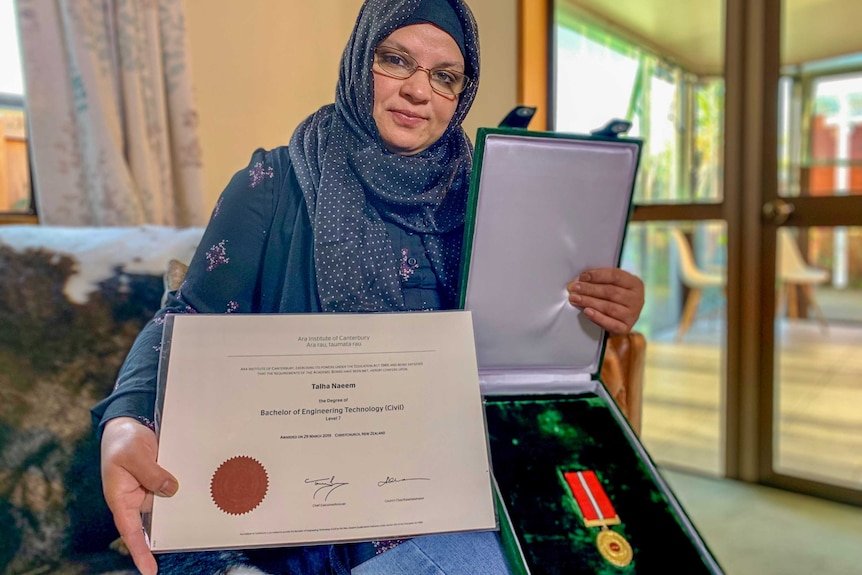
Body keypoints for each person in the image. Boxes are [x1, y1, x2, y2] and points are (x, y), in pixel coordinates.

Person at [91, 0, 645, 573]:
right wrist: (128, 419)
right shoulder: (271, 183)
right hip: (297, 512)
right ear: (361, 59)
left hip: (449, 502)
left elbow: (526, 346)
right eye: (396, 60)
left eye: (445, 77)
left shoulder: (491, 199)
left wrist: (598, 307)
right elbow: (186, 320)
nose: (418, 91)